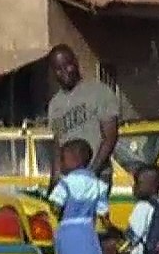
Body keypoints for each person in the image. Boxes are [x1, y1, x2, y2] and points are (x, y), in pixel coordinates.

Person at [47, 44, 119, 195]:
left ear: (76, 63)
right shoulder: (55, 104)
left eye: (68, 65)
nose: (64, 72)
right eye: (58, 69)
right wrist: (54, 181)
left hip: (98, 174)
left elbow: (110, 137)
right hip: (69, 179)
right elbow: (57, 145)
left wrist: (91, 173)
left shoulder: (99, 92)